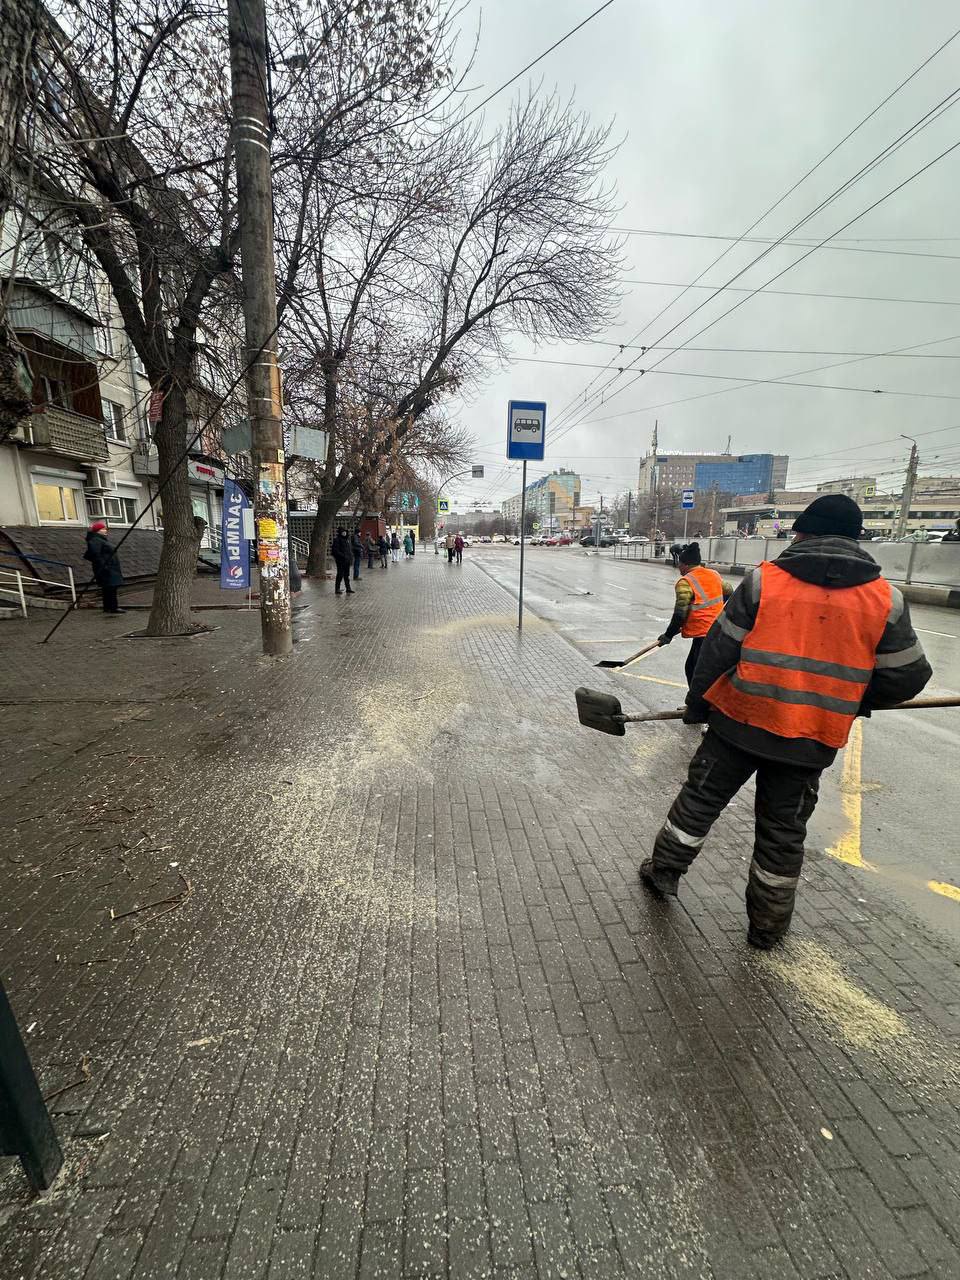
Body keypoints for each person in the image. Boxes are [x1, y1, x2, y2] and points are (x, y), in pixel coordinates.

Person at [640, 494, 932, 950]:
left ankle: (664, 873)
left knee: (700, 801)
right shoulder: (886, 599)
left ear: (802, 533)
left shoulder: (764, 583)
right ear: (857, 538)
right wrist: (852, 697)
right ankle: (767, 926)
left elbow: (717, 653)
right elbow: (909, 675)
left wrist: (699, 704)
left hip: (739, 722)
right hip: (811, 739)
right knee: (783, 832)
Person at [657, 543, 725, 688]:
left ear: (685, 564)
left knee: (694, 671)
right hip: (717, 628)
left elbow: (679, 614)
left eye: (679, 564)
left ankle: (697, 707)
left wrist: (668, 635)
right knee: (696, 669)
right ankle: (699, 704)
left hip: (704, 632)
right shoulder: (714, 574)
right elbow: (729, 592)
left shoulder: (685, 582)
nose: (678, 567)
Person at [83, 521, 125, 613]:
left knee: (109, 588)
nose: (105, 530)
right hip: (106, 569)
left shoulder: (101, 540)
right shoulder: (95, 540)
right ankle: (113, 607)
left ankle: (108, 607)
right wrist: (104, 566)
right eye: (103, 529)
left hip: (109, 567)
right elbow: (95, 554)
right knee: (110, 587)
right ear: (98, 530)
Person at [331, 527, 354, 595]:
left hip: (347, 561)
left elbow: (349, 550)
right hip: (340, 561)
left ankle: (348, 588)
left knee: (347, 575)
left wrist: (350, 557)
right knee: (340, 574)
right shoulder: (337, 540)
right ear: (340, 532)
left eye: (345, 532)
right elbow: (335, 551)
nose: (344, 533)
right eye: (343, 532)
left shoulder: (347, 540)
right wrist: (343, 556)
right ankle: (337, 589)